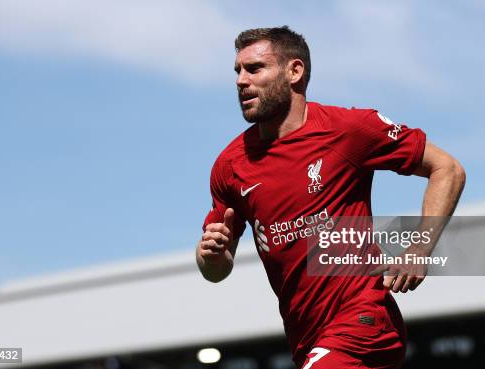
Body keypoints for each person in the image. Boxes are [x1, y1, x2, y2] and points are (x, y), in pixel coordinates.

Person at [195, 26, 465, 369]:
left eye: (255, 68)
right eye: (237, 71)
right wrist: (210, 254)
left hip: (365, 321)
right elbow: (216, 271)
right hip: (308, 340)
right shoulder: (230, 165)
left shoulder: (350, 130)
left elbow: (447, 169)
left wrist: (420, 248)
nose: (241, 81)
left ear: (295, 71)